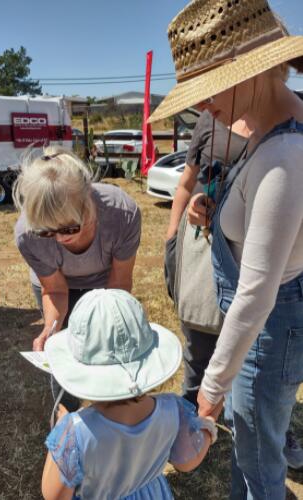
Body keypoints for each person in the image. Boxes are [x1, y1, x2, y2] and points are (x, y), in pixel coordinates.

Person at [150, 1, 303, 498]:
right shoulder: (265, 125)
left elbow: (257, 293)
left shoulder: (284, 154)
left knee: (259, 465)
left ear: (248, 71)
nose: (202, 107)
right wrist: (209, 207)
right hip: (263, 325)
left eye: (206, 90)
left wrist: (210, 392)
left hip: (267, 324)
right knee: (251, 449)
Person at [166, 110, 303, 470]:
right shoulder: (209, 122)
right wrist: (177, 230)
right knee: (199, 348)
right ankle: (192, 430)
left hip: (266, 277)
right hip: (211, 258)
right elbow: (188, 183)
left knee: (258, 373)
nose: (209, 103)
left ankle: (266, 430)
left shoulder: (287, 131)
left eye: (215, 92)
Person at [41, 288, 219, 500]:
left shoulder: (72, 431)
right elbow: (186, 461)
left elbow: (54, 495)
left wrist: (61, 435)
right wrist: (207, 425)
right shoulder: (173, 409)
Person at [14, 147, 141, 409]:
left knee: (110, 344)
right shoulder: (27, 234)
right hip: (59, 286)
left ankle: (115, 408)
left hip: (107, 282)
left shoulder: (122, 213)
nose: (60, 239)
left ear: (88, 200)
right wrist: (52, 328)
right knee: (63, 351)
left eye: (69, 228)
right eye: (47, 232)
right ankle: (66, 413)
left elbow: (119, 285)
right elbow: (55, 290)